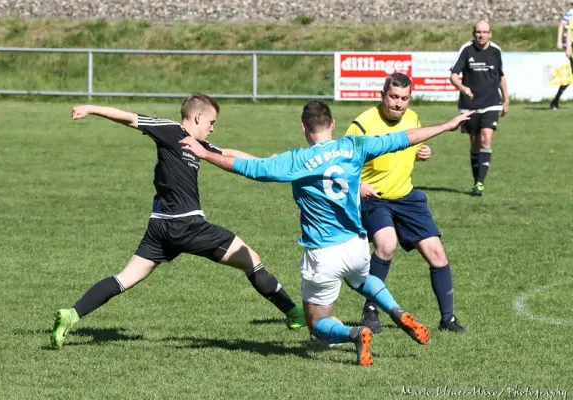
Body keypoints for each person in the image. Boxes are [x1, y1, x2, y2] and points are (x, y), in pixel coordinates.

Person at [179, 100, 473, 366]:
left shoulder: (297, 161)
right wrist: (446, 126)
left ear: (304, 127)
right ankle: (397, 312)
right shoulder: (354, 146)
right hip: (356, 245)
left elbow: (251, 168)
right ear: (332, 124)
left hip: (324, 253)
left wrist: (204, 154)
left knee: (316, 325)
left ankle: (355, 333)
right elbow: (403, 138)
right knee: (360, 278)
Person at [50, 92, 306, 349]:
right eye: (212, 122)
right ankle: (294, 313)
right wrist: (91, 108)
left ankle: (71, 315)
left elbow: (226, 153)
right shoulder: (170, 130)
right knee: (252, 259)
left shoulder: (197, 145)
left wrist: (265, 162)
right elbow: (130, 118)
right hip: (187, 225)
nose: (213, 128)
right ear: (197, 117)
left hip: (160, 228)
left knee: (124, 278)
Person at [345, 72, 466, 335]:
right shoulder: (362, 124)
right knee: (386, 244)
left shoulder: (412, 119)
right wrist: (358, 186)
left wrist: (422, 152)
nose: (398, 104)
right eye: (393, 97)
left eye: (404, 99)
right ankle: (371, 309)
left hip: (407, 197)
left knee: (437, 254)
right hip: (374, 198)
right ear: (382, 95)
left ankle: (448, 320)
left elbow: (412, 145)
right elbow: (341, 165)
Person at [449, 19, 509, 197]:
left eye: (484, 32)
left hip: (491, 102)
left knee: (486, 139)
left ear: (490, 34)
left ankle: (481, 183)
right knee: (475, 143)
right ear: (473, 33)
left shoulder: (495, 51)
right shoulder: (467, 49)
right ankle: (477, 180)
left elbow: (501, 76)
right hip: (470, 105)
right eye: (478, 32)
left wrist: (506, 99)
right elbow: (453, 75)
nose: (481, 35)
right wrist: (463, 88)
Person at [550, 4, 573, 110]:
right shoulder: (571, 13)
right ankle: (555, 101)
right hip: (571, 45)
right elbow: (563, 26)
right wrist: (561, 42)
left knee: (570, 77)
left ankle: (555, 101)